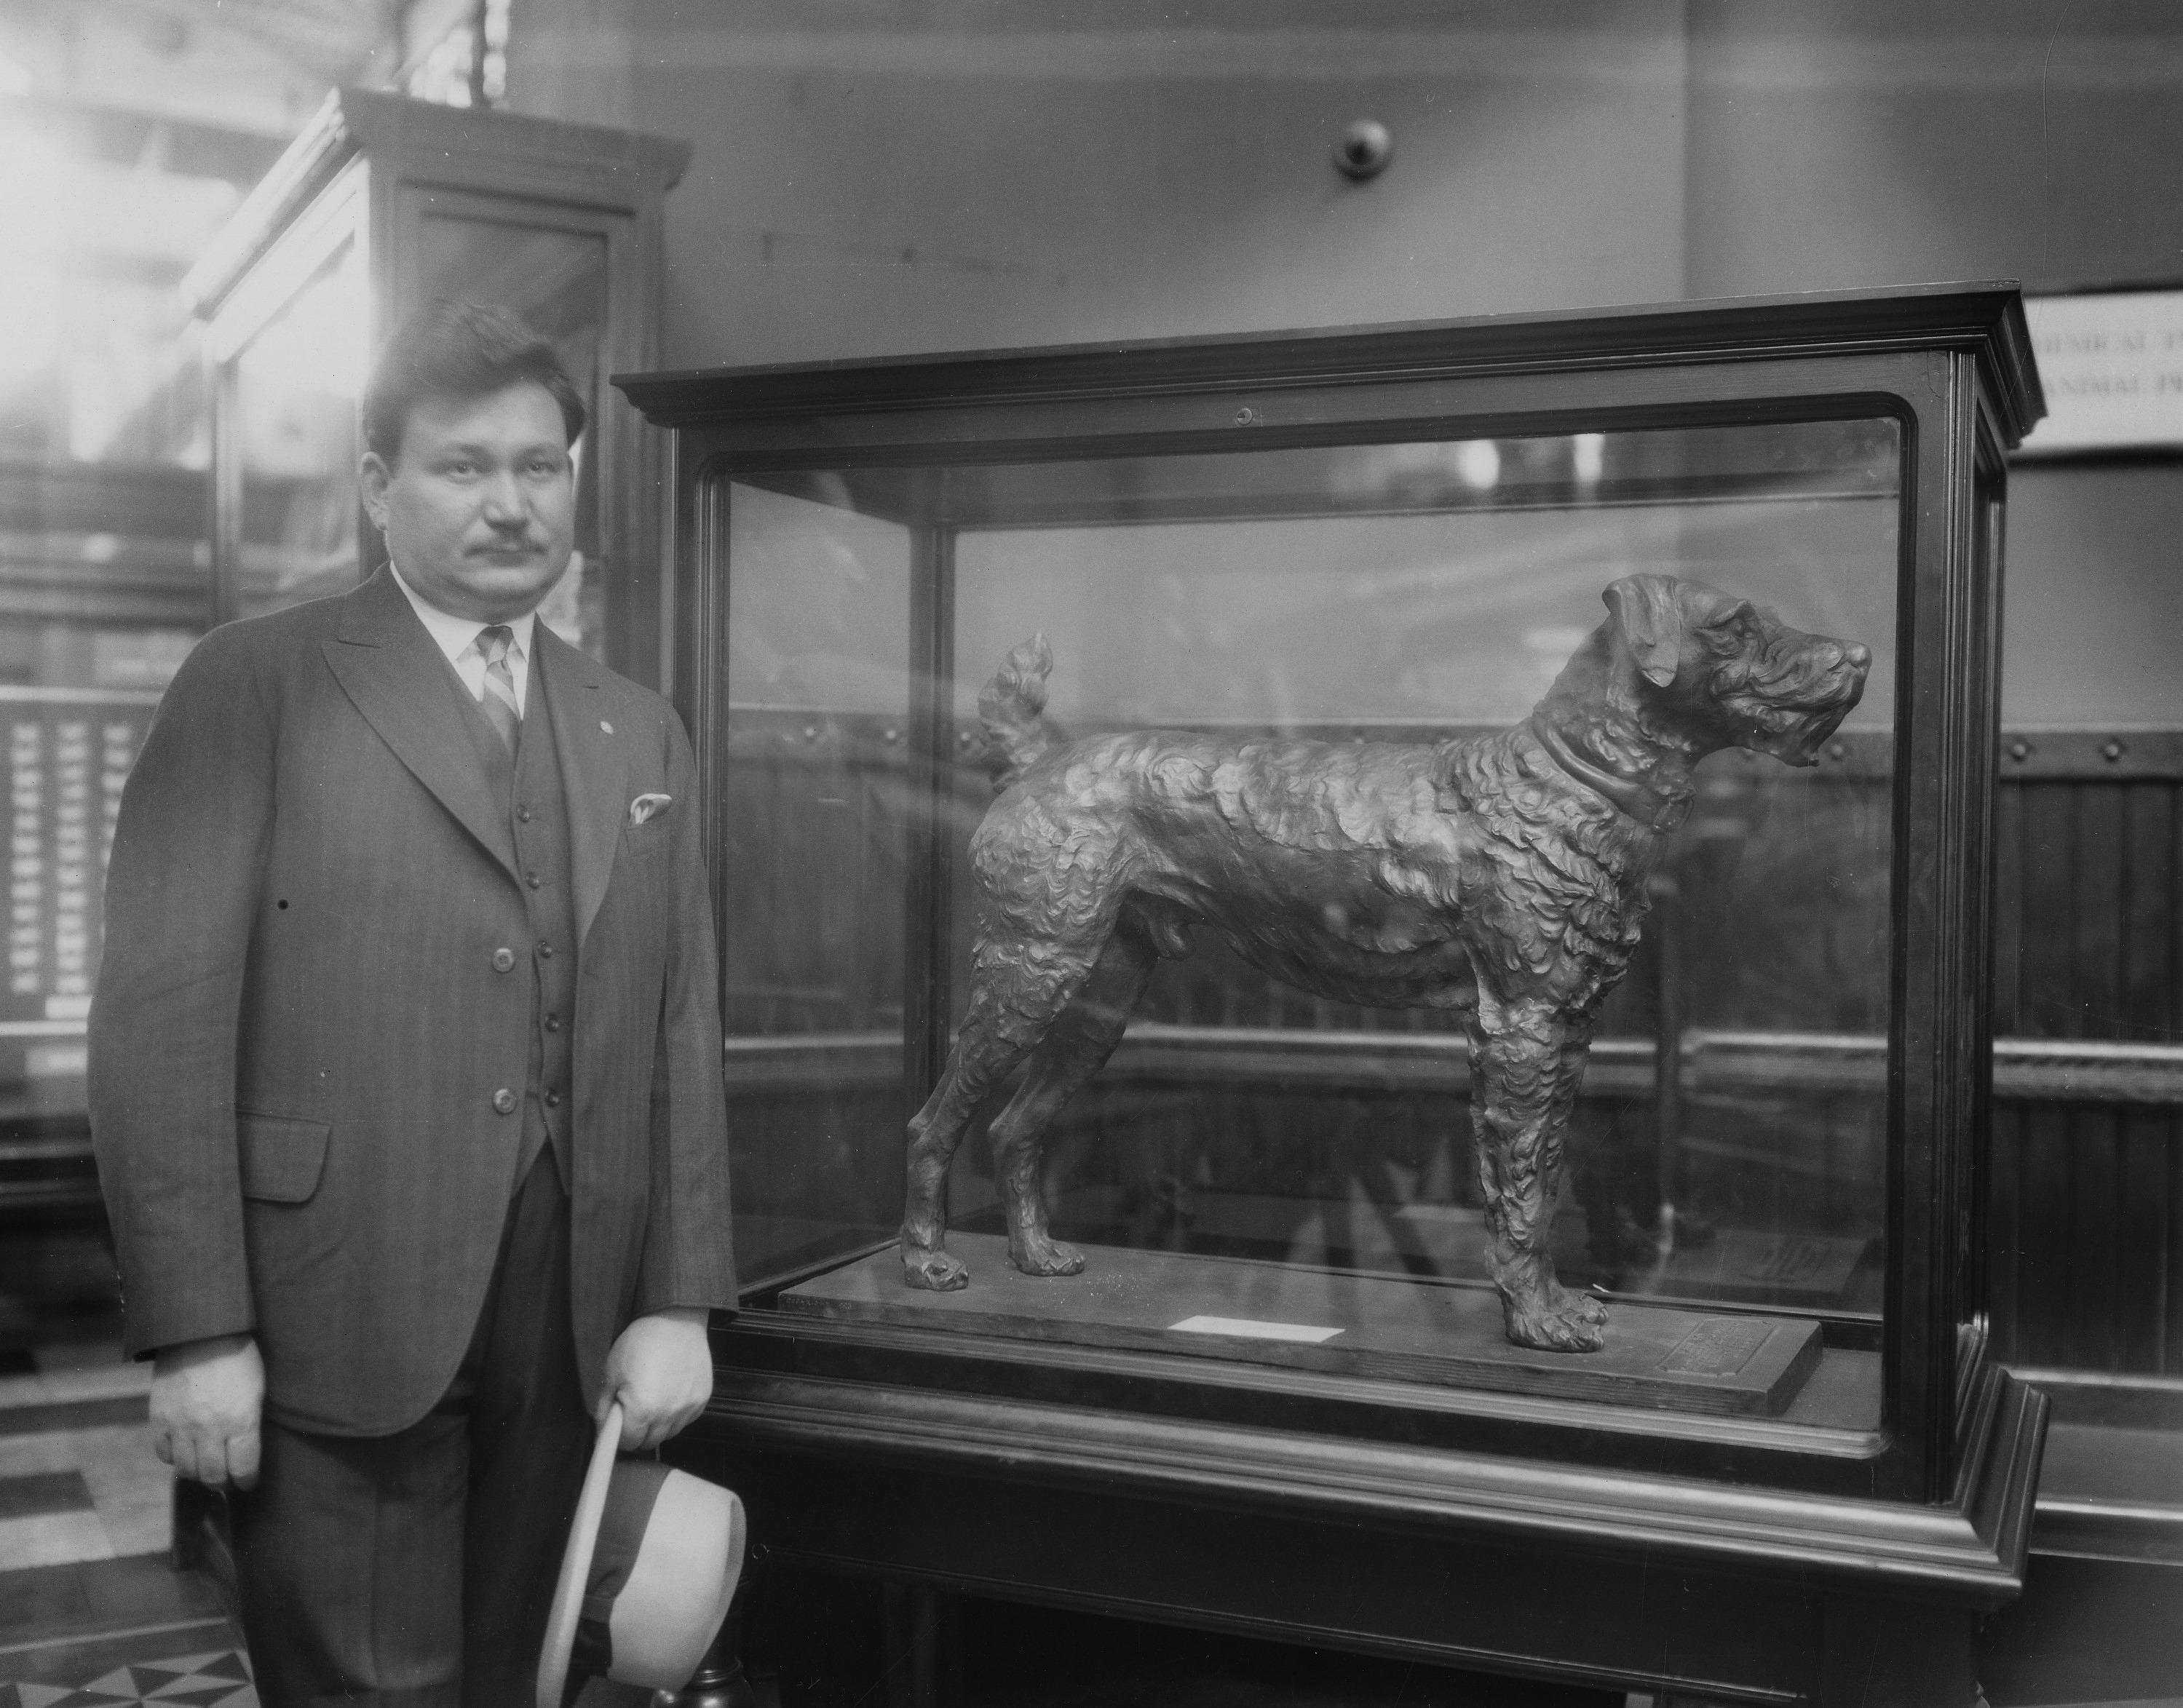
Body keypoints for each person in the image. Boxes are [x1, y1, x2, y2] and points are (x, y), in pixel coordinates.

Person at [89, 301, 736, 1706]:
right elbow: (159, 1025)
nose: (511, 504)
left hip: (568, 1319)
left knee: (529, 1679)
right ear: (378, 484)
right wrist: (199, 1334)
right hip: (330, 1306)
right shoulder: (252, 683)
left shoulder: (639, 723)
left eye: (541, 465)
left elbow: (678, 1025)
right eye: (461, 466)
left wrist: (679, 1297)